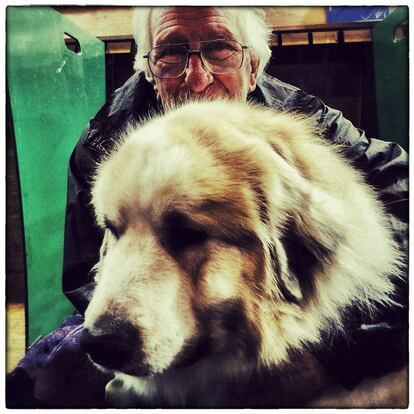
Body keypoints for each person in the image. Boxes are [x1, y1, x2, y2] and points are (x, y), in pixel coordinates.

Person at [8, 6, 408, 408]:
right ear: (148, 68)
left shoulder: (306, 119)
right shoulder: (103, 141)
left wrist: (334, 353)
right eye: (171, 53)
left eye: (219, 50)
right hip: (159, 332)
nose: (196, 77)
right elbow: (84, 274)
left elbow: (401, 189)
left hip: (293, 318)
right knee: (46, 385)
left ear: (253, 66)